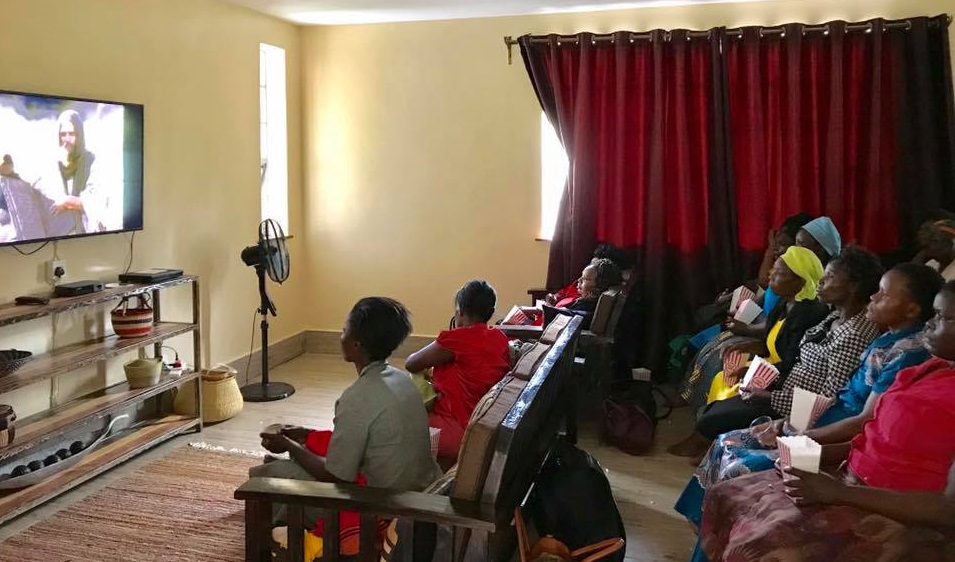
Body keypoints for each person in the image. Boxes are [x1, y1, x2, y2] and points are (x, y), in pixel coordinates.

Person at [697, 280, 955, 561]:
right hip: (851, 479)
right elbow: (873, 434)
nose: (928, 323)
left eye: (941, 316)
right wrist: (818, 453)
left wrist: (839, 491)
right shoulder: (930, 368)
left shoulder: (908, 356)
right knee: (725, 495)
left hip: (895, 506)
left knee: (762, 545)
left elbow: (949, 508)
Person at [252, 297, 441, 535]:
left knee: (265, 475)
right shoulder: (401, 379)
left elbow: (337, 475)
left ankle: (279, 536)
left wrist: (289, 445)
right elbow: (366, 439)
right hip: (415, 492)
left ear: (356, 344)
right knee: (288, 464)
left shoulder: (357, 396)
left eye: (343, 330)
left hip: (378, 508)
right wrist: (305, 435)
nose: (341, 336)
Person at [668, 246, 830, 457]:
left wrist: (751, 369)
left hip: (779, 378)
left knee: (726, 393)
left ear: (799, 281)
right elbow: (770, 339)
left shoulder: (806, 314)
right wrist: (745, 347)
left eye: (779, 272)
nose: (771, 274)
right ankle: (709, 439)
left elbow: (792, 360)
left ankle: (706, 436)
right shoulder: (785, 302)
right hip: (769, 365)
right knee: (720, 377)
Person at [405, 280, 511, 467]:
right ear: (490, 313)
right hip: (484, 424)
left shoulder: (456, 340)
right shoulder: (499, 337)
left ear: (459, 310)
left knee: (394, 420)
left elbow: (412, 363)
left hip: (456, 430)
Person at [36, 110, 109, 234]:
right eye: (63, 134)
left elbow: (98, 202)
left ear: (79, 135)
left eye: (72, 134)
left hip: (89, 235)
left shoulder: (92, 161)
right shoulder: (55, 163)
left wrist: (68, 201)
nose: (67, 139)